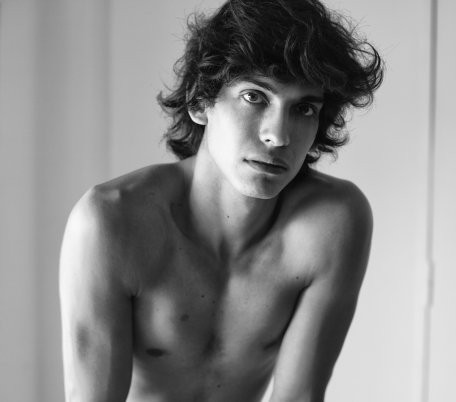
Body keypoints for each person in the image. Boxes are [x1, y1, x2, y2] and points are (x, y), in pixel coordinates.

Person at [59, 0, 383, 400]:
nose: (278, 136)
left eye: (303, 108)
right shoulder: (111, 220)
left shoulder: (332, 221)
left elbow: (299, 396)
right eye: (254, 97)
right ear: (201, 102)